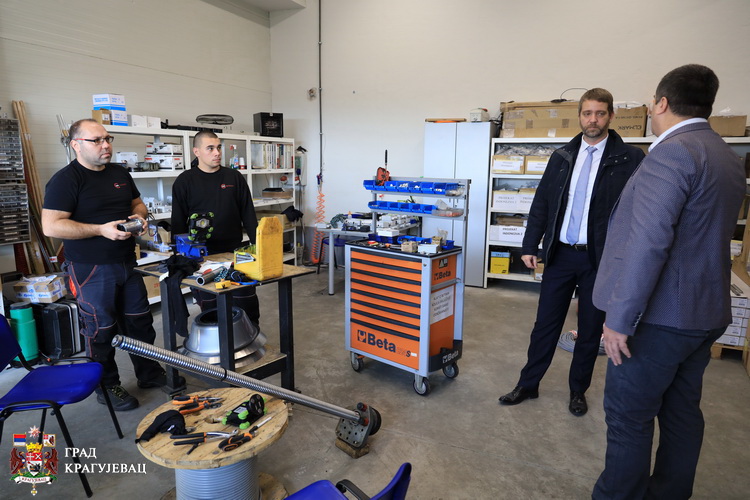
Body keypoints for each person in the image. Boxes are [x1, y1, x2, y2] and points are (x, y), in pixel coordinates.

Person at [591, 65, 745, 499]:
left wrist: (620, 318)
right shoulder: (725, 155)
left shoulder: (673, 153)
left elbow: (648, 243)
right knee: (681, 412)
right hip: (705, 312)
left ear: (661, 103)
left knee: (629, 416)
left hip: (660, 319)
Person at [498, 89, 645, 416]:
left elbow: (638, 211)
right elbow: (542, 202)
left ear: (610, 116)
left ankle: (578, 390)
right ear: (579, 116)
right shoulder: (562, 156)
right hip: (561, 255)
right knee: (545, 325)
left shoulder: (630, 158)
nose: (593, 120)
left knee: (590, 330)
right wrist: (530, 244)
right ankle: (528, 383)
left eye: (600, 113)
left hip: (600, 260)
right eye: (587, 113)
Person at [42, 119, 183, 411]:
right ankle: (106, 386)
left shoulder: (119, 173)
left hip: (126, 262)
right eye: (96, 140)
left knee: (139, 321)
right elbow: (51, 226)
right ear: (76, 145)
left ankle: (148, 373)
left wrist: (140, 217)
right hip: (90, 268)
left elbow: (137, 204)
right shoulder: (66, 180)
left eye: (107, 139)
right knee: (100, 329)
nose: (105, 145)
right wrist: (100, 230)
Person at [171, 131, 260, 324]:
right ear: (196, 151)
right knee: (211, 310)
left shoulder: (234, 177)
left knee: (246, 305)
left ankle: (249, 337)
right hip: (202, 258)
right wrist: (179, 257)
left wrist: (259, 248)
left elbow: (249, 215)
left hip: (235, 254)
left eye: (218, 147)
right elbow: (178, 221)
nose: (217, 152)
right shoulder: (185, 181)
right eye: (210, 148)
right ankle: (218, 342)